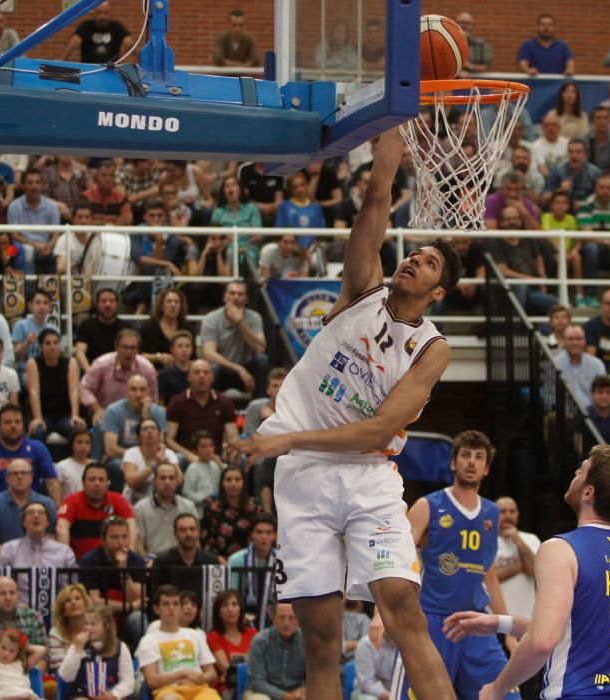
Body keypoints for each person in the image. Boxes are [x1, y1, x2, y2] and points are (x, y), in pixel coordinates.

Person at [226, 129, 461, 700]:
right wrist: (393, 134)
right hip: (304, 478)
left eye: (429, 264)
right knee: (320, 638)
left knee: (403, 608)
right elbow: (376, 198)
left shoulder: (433, 347)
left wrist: (290, 438)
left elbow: (382, 429)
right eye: (415, 253)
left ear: (438, 293)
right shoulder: (362, 289)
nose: (414, 261)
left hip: (367, 474)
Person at [442, 445, 610, 699]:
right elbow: (577, 631)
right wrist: (500, 623)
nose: (576, 472)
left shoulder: (561, 548)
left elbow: (542, 641)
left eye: (582, 471)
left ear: (588, 492)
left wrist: (496, 688)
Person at [394, 431, 516, 699]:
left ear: (486, 469)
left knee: (506, 694)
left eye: (479, 457)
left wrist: (506, 630)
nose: (471, 462)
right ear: (453, 463)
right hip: (433, 620)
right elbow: (397, 561)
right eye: (465, 455)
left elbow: (490, 575)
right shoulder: (428, 505)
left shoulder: (491, 513)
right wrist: (384, 615)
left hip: (476, 621)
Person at [136, 585, 221, 700]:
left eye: (175, 604)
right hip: (168, 690)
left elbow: (212, 673)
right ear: (156, 609)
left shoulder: (195, 635)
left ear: (180, 608)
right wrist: (182, 674)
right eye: (166, 604)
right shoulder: (148, 640)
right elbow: (151, 680)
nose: (171, 608)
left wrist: (200, 678)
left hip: (199, 689)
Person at [78, 517, 147, 646]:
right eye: (114, 537)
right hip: (99, 618)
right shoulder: (90, 561)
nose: (121, 543)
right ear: (103, 540)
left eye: (124, 537)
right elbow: (94, 602)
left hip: (128, 618)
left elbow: (139, 598)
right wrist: (129, 606)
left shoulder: (136, 560)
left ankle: (138, 660)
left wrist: (123, 570)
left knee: (139, 619)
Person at [200, 281, 268, 398]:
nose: (236, 297)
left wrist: (241, 323)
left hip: (247, 370)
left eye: (240, 294)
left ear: (246, 299)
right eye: (232, 293)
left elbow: (260, 348)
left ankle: (259, 405)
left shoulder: (254, 317)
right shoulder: (211, 319)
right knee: (212, 368)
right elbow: (208, 354)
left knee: (262, 360)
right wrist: (239, 369)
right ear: (225, 297)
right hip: (224, 369)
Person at [56, 463, 136, 561]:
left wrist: (129, 555)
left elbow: (132, 526)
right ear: (83, 482)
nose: (97, 483)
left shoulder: (117, 499)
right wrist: (66, 559)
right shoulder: (72, 501)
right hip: (80, 564)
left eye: (101, 480)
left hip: (113, 563)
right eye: (92, 479)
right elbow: (61, 528)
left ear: (108, 483)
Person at [165, 360, 238, 465]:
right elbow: (169, 440)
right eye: (197, 372)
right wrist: (189, 455)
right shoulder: (177, 402)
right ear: (189, 377)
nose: (201, 376)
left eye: (206, 372)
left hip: (216, 455)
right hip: (187, 456)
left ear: (212, 377)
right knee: (177, 459)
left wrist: (229, 450)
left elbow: (233, 436)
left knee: (240, 458)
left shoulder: (224, 402)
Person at [0, 404, 60, 502]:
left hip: (33, 509)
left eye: (17, 422)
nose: (13, 426)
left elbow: (52, 482)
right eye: (8, 422)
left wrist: (57, 510)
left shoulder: (37, 447)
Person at [80, 329, 159, 425]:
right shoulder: (101, 364)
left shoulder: (147, 368)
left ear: (138, 350)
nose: (129, 351)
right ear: (117, 348)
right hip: (104, 411)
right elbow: (84, 387)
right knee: (100, 424)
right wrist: (97, 409)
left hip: (137, 413)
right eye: (125, 347)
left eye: (133, 348)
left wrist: (146, 410)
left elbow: (154, 397)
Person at [59, 603, 136, 700]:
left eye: (93, 624)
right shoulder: (78, 645)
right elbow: (66, 676)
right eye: (86, 623)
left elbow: (128, 681)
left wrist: (113, 694)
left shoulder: (120, 647)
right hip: (81, 694)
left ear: (106, 625)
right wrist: (77, 650)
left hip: (109, 694)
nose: (88, 628)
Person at [0, 459, 56, 558]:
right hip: (4, 560)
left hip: (40, 560)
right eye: (14, 473)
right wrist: (9, 556)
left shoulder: (47, 503)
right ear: (7, 478)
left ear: (31, 477)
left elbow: (51, 536)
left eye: (24, 473)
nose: (19, 477)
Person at [25, 328, 84, 443]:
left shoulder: (71, 362)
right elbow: (33, 392)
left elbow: (74, 391)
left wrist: (75, 415)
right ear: (41, 346)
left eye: (56, 343)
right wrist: (38, 417)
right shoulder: (33, 363)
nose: (52, 346)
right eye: (47, 343)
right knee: (37, 431)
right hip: (43, 413)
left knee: (77, 430)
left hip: (64, 414)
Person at [243, 603, 306, 700]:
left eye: (291, 618)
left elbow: (315, 677)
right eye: (281, 617)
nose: (286, 623)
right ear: (273, 619)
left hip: (297, 693)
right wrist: (285, 696)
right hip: (264, 693)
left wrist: (303, 690)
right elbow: (257, 683)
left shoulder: (307, 642)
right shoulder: (260, 641)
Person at [494, 497, 541, 621]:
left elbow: (536, 571)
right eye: (502, 511)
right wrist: (519, 566)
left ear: (518, 515)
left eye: (512, 511)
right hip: (494, 619)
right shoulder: (485, 542)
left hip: (526, 618)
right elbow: (487, 579)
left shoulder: (531, 539)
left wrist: (518, 540)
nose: (507, 515)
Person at [133, 464, 196, 556]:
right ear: (154, 482)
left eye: (171, 478)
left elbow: (195, 543)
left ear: (177, 481)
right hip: (154, 563)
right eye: (162, 478)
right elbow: (138, 546)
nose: (167, 482)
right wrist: (148, 564)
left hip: (181, 563)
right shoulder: (140, 508)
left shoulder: (188, 506)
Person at [227, 513, 278, 624]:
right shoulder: (236, 560)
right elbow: (231, 594)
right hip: (242, 619)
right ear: (251, 535)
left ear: (274, 535)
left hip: (275, 620)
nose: (264, 537)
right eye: (259, 532)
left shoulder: (283, 561)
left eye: (268, 532)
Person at [153, 514, 221, 595]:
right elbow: (156, 597)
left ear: (199, 533)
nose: (188, 534)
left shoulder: (211, 561)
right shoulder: (162, 562)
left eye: (192, 529)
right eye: (182, 530)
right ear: (175, 534)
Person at [201, 466, 259, 560]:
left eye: (237, 479)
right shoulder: (211, 509)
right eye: (228, 480)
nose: (233, 484)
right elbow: (206, 541)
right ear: (222, 483)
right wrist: (217, 559)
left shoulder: (256, 508)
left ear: (244, 482)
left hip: (251, 561)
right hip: (221, 563)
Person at [206, 590, 257, 698]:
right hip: (227, 687)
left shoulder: (252, 633)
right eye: (225, 605)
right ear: (219, 613)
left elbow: (260, 662)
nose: (230, 609)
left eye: (234, 604)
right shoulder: (214, 636)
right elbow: (227, 668)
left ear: (240, 609)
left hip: (253, 683)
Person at [122, 417, 179, 505]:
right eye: (145, 429)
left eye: (153, 428)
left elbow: (179, 479)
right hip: (133, 503)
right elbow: (131, 482)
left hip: (161, 503)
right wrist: (155, 464)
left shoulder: (168, 454)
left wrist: (166, 462)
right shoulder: (131, 453)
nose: (150, 431)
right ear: (138, 437)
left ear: (159, 435)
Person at [0, 577, 48, 649]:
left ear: (18, 596)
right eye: (2, 593)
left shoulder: (33, 617)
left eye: (12, 593)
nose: (8, 598)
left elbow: (43, 657)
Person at [75, 289, 130, 373]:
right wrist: (90, 372)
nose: (108, 304)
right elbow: (80, 352)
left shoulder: (126, 327)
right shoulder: (86, 325)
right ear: (97, 304)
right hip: (92, 371)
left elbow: (131, 353)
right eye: (103, 301)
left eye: (111, 301)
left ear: (117, 305)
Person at [61, 1, 133, 62]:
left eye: (106, 13)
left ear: (110, 14)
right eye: (99, 13)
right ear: (94, 13)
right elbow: (74, 42)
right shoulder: (86, 26)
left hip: (110, 70)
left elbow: (129, 42)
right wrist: (61, 61)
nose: (102, 16)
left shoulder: (116, 27)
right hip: (89, 70)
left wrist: (142, 60)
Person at [140, 289, 194, 370]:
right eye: (169, 301)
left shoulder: (187, 327)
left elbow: (193, 358)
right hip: (153, 369)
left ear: (181, 306)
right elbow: (139, 355)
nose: (173, 305)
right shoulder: (148, 326)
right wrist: (158, 357)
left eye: (177, 302)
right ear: (161, 306)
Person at [553, 325, 606, 408]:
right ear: (564, 341)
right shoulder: (554, 364)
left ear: (585, 341)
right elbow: (549, 395)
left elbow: (603, 393)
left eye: (579, 339)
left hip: (592, 414)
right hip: (562, 413)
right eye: (570, 339)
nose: (575, 342)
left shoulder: (597, 364)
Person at [0, 627, 43, 698]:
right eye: (3, 648)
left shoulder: (22, 664)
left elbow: (41, 650)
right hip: (3, 697)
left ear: (18, 652)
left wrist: (25, 648)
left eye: (12, 651)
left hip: (25, 697)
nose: (6, 653)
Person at [47, 585, 93, 676]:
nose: (73, 602)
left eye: (77, 598)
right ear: (63, 611)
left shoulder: (94, 629)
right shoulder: (56, 633)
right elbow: (60, 672)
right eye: (68, 600)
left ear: (86, 604)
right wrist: (77, 647)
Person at [184, 432, 223, 514]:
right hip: (199, 511)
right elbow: (187, 493)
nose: (208, 450)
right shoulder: (193, 469)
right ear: (195, 450)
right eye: (203, 447)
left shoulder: (216, 466)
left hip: (216, 509)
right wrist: (203, 498)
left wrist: (220, 464)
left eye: (211, 446)